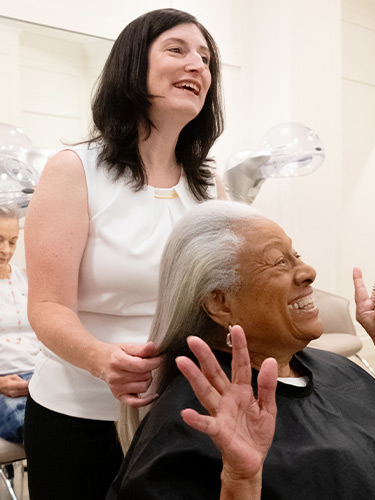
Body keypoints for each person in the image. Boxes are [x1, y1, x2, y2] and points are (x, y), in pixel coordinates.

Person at [107, 200, 375, 500]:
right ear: (221, 304)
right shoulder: (197, 418)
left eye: (297, 255)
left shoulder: (331, 368)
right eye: (279, 263)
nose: (308, 272)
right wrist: (241, 480)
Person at [23, 8, 228, 500]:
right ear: (133, 67)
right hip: (80, 418)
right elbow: (47, 307)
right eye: (177, 50)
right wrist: (102, 360)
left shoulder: (209, 186)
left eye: (205, 59)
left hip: (181, 415)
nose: (197, 66)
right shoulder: (75, 170)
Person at [0, 205, 39, 444]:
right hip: (4, 383)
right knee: (39, 430)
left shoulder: (26, 278)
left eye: (13, 242)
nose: (5, 251)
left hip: (40, 378)